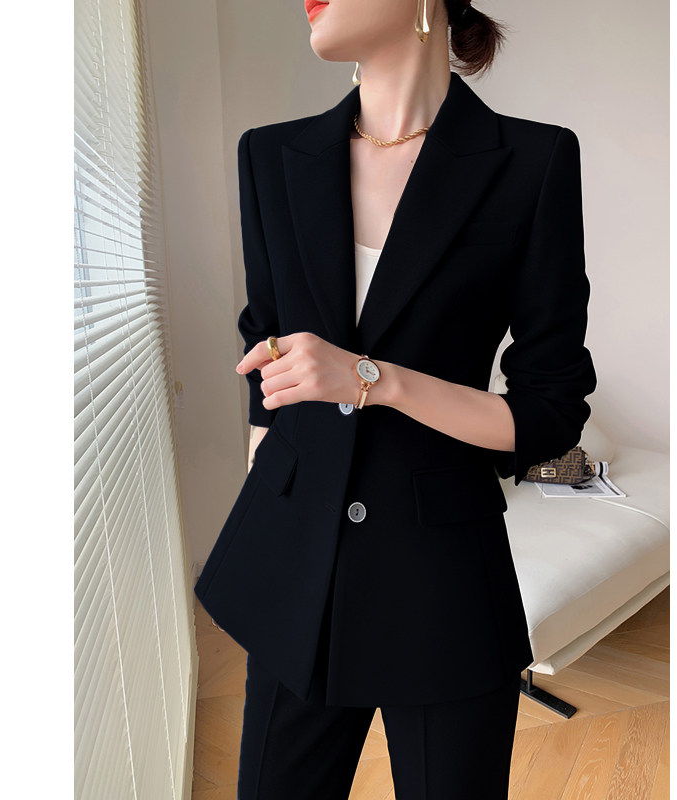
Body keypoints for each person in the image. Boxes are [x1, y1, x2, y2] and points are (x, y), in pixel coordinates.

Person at [195, 1, 597, 797]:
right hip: (294, 576)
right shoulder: (270, 157)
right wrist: (269, 482)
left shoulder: (533, 162)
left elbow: (549, 411)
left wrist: (372, 379)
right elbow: (265, 352)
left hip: (444, 591)